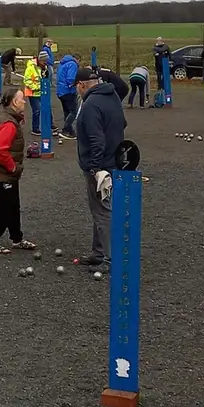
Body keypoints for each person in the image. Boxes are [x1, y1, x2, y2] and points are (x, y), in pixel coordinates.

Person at [73, 66, 125, 271]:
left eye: (77, 86)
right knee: (100, 211)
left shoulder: (90, 105)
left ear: (82, 85)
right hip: (114, 160)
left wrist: (94, 168)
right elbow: (123, 123)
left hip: (100, 167)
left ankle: (109, 259)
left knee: (102, 211)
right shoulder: (112, 97)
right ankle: (98, 252)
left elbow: (97, 141)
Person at [0, 89, 34, 253]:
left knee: (13, 207)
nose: (24, 102)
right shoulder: (9, 124)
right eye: (21, 99)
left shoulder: (11, 119)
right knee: (3, 210)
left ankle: (16, 238)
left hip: (6, 174)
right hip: (1, 175)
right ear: (14, 102)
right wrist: (12, 167)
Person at [23, 49, 51, 135]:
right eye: (45, 61)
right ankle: (35, 129)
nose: (46, 63)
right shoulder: (30, 68)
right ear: (41, 60)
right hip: (32, 93)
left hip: (42, 92)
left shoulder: (44, 67)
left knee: (47, 108)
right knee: (37, 110)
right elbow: (26, 80)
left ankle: (49, 125)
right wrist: (37, 88)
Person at [55, 52, 80, 139]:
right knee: (74, 111)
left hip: (60, 90)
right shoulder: (73, 64)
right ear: (77, 60)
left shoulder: (62, 63)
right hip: (68, 91)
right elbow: (71, 78)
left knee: (67, 111)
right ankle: (66, 129)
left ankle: (69, 131)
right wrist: (76, 83)